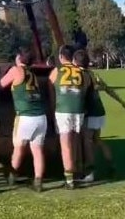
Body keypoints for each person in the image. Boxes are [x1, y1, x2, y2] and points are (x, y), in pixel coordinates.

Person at [73, 50, 125, 183]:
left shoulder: (79, 75)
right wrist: (121, 101)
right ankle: (111, 166)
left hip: (90, 113)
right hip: (100, 112)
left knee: (87, 143)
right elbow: (108, 89)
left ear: (75, 62)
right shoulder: (94, 74)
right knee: (97, 140)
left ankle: (90, 172)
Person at [0, 47, 47, 192]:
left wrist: (3, 72)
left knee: (19, 148)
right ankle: (38, 181)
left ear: (19, 58)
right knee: (37, 150)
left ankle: (12, 177)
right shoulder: (31, 73)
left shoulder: (16, 70)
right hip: (41, 117)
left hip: (25, 116)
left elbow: (0, 85)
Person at [48, 45, 91, 189]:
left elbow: (51, 88)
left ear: (61, 56)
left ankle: (69, 179)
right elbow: (85, 88)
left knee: (65, 144)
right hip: (78, 109)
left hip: (63, 110)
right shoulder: (81, 71)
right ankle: (78, 169)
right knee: (75, 141)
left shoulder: (57, 70)